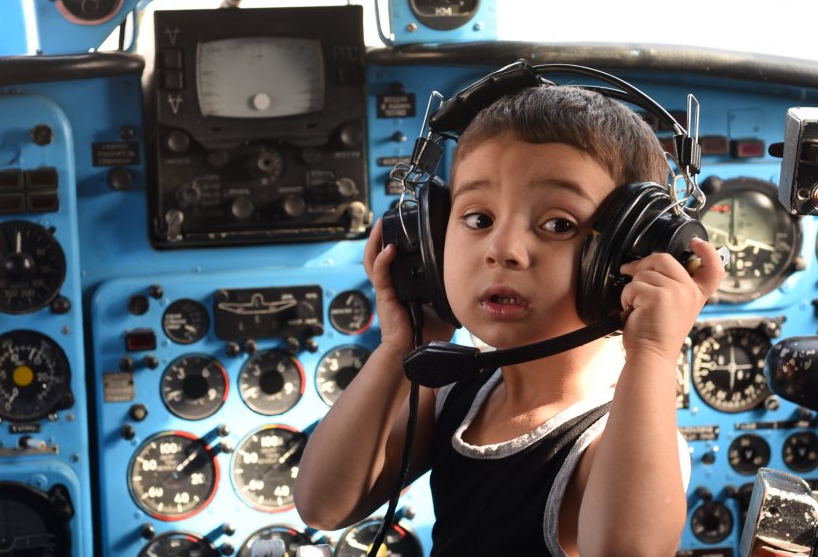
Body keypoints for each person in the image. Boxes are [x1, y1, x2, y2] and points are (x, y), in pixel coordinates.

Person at [293, 84, 725, 556]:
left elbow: (627, 550)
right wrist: (401, 346)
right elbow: (323, 505)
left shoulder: (618, 436)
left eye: (558, 224)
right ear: (432, 242)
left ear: (630, 253)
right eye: (478, 219)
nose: (503, 251)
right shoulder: (458, 391)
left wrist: (654, 356)